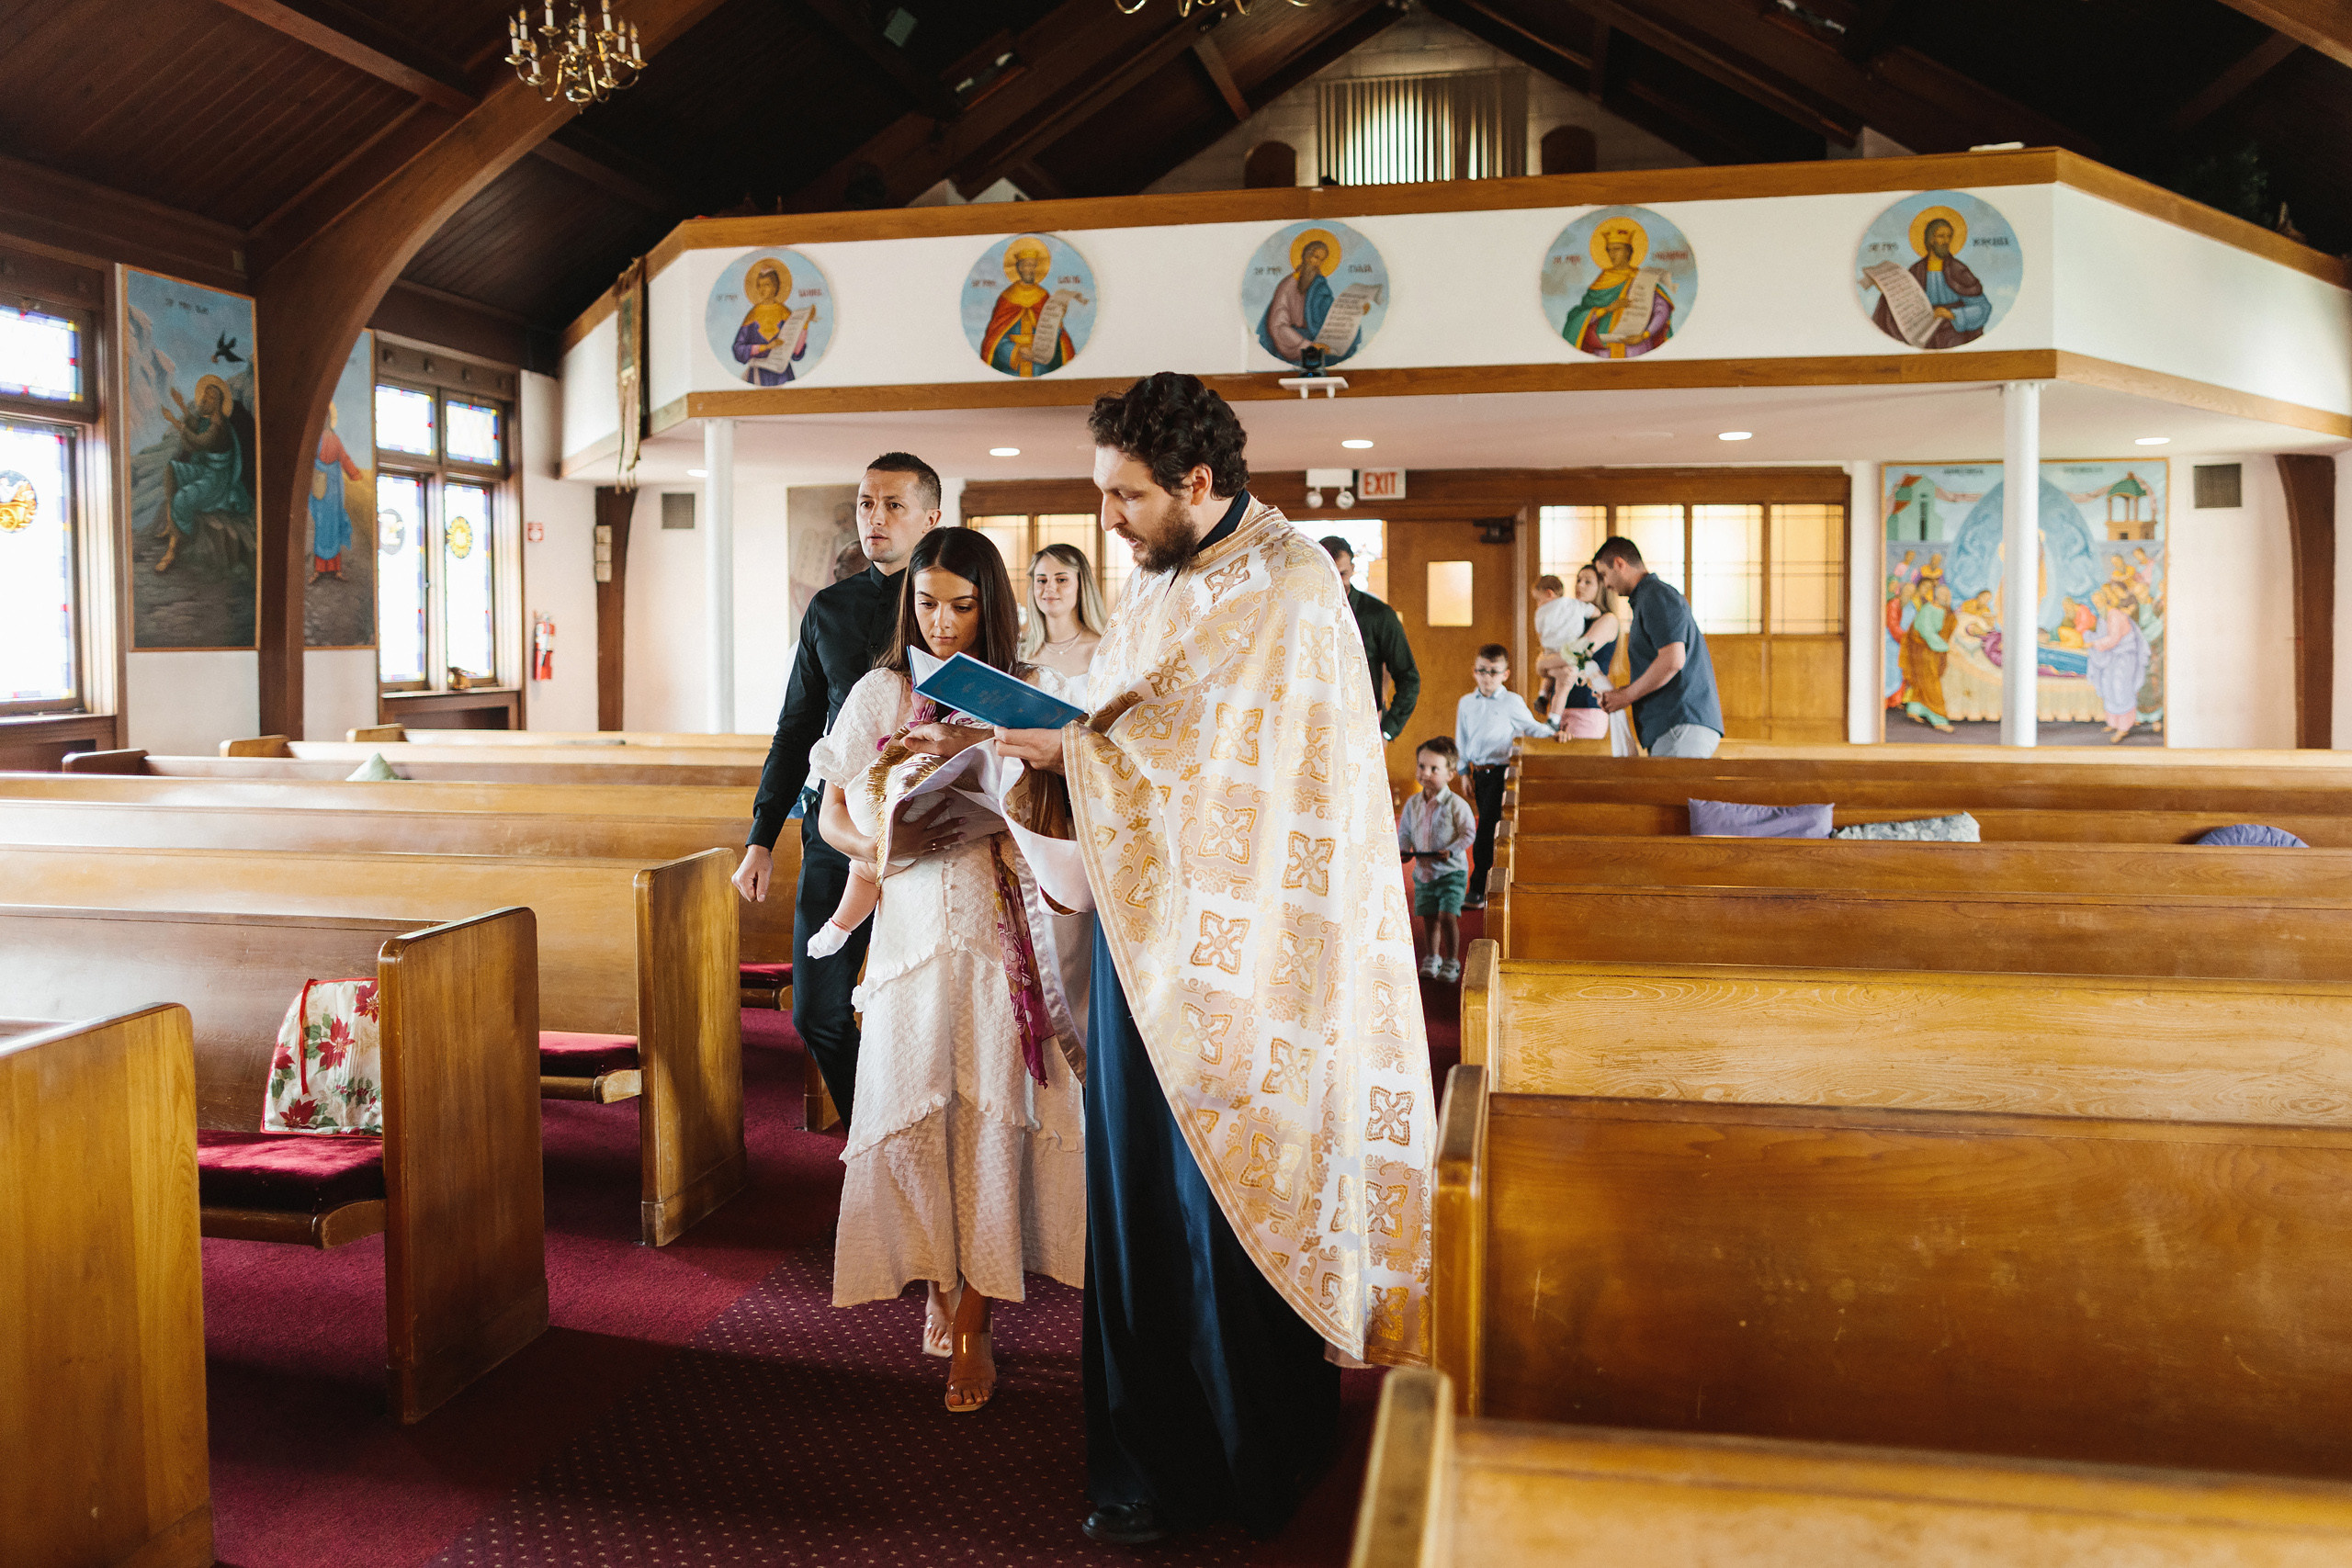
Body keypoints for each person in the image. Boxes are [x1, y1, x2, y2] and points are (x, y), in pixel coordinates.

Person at [994, 372, 1433, 1546]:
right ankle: (1144, 1464)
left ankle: (1251, 1467)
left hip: (1257, 974)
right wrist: (1039, 736)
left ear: (1198, 482)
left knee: (1226, 1212)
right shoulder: (1161, 581)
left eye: (1126, 497)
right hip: (1153, 942)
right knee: (1137, 1207)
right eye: (1100, 494)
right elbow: (1130, 720)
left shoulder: (1286, 588)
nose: (1108, 522)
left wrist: (1074, 749)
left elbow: (1211, 763)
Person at [808, 527, 1086, 1416]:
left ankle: (976, 1317)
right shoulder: (881, 689)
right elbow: (834, 820)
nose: (941, 622)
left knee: (990, 1111)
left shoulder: (1026, 691)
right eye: (927, 602)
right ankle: (935, 1274)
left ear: (990, 605)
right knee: (914, 1101)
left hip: (998, 924)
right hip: (912, 929)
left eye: (961, 605)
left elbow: (1067, 807)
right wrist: (887, 842)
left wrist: (1010, 803)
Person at [735, 453, 943, 1126]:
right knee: (818, 1011)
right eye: (864, 503)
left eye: (891, 505)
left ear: (930, 517)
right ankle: (873, 1135)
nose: (873, 518)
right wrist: (761, 836)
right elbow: (795, 729)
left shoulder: (953, 605)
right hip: (836, 831)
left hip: (932, 835)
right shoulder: (828, 608)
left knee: (926, 1008)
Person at [1594, 536, 1724, 758]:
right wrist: (1623, 693)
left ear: (1619, 564)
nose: (1606, 584)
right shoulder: (1647, 597)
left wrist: (1626, 696)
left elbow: (1673, 660)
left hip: (1680, 721)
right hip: (1676, 724)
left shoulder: (1655, 595)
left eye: (1604, 574)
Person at [1456, 644, 1554, 908]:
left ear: (1505, 674)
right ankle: (1483, 886)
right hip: (1480, 773)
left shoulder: (1511, 702)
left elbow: (1532, 728)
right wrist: (1464, 772)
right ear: (1474, 672)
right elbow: (1462, 739)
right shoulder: (1466, 703)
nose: (1486, 677)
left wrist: (1555, 731)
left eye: (1493, 672)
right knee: (1486, 826)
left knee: (1488, 829)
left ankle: (1479, 889)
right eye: (1481, 671)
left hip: (1502, 773)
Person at [1319, 536, 1419, 743]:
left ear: (1353, 569)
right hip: (1316, 722)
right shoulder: (1305, 612)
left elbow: (1408, 677)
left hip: (1364, 724)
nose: (1336, 582)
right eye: (1328, 574)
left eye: (1342, 574)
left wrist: (1387, 731)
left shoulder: (1379, 615)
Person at [1398, 738, 1476, 983]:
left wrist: (1451, 851)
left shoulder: (1456, 805)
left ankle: (1452, 960)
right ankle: (1432, 957)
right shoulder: (1412, 804)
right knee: (1429, 917)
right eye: (1422, 766)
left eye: (1434, 769)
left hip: (1451, 872)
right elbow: (1406, 831)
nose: (1426, 773)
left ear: (1451, 774)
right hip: (1424, 872)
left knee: (1447, 916)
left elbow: (1468, 833)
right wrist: (1403, 848)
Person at [1022, 542, 1107, 700]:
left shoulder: (1104, 651)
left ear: (1081, 586)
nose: (1050, 588)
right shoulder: (1020, 651)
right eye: (1041, 580)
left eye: (1061, 580)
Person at [2086, 581, 2150, 743]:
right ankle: (2114, 722)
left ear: (2107, 600)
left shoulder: (2115, 615)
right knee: (2108, 685)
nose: (2097, 605)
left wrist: (2094, 643)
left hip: (2125, 656)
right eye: (2095, 603)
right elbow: (2102, 635)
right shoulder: (2104, 617)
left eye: (2100, 601)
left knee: (2120, 687)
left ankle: (2124, 727)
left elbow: (2113, 639)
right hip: (2113, 656)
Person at [1530, 574, 1589, 717]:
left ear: (1549, 593)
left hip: (1551, 652)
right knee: (1563, 685)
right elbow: (1593, 611)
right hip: (1567, 652)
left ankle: (1543, 695)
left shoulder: (1542, 613)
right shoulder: (1574, 606)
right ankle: (1554, 718)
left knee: (1552, 674)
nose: (1538, 604)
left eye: (1538, 599)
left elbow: (1540, 633)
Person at [1900, 581, 1956, 732]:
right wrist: (1945, 647)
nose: (1947, 597)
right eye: (1944, 594)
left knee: (1923, 682)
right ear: (1937, 595)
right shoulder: (1928, 609)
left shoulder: (1945, 611)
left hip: (1933, 651)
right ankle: (1939, 719)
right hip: (1923, 651)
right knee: (1931, 683)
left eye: (1948, 595)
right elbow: (1926, 632)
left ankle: (1915, 709)